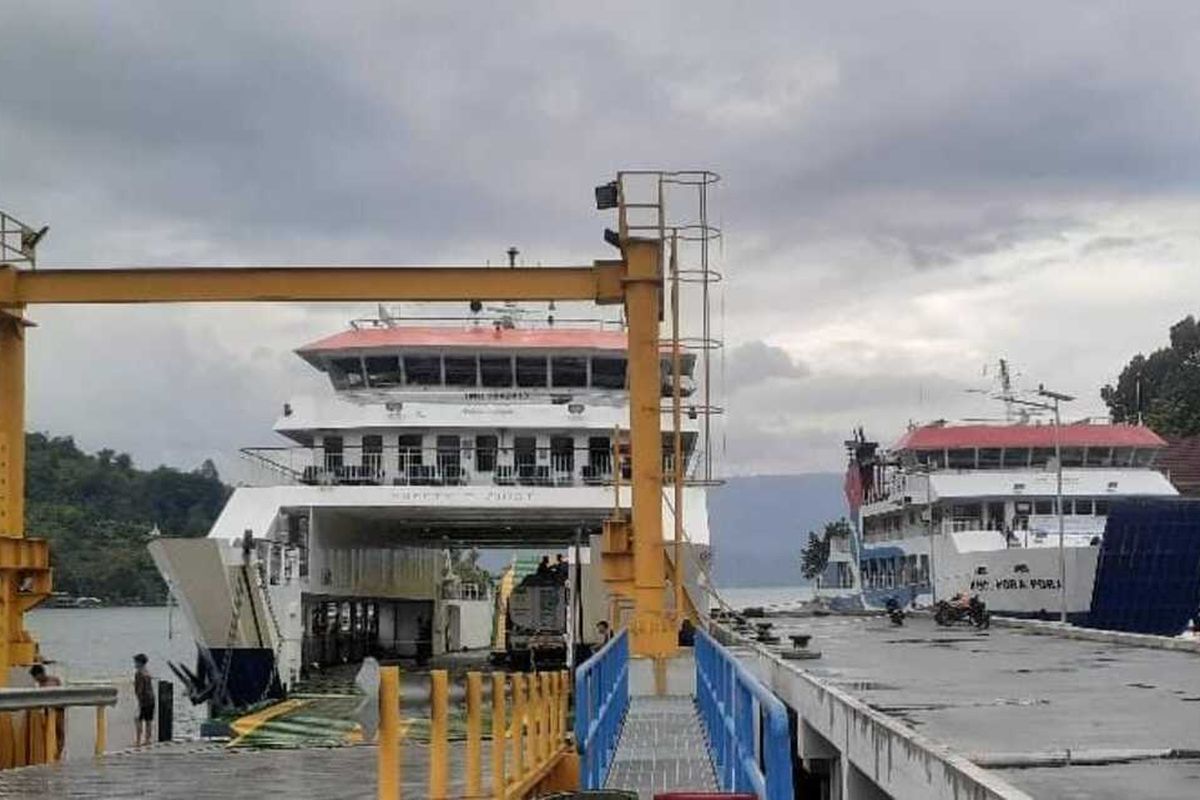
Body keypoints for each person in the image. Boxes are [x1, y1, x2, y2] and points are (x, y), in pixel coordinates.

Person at [30, 664, 65, 759]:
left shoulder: (54, 680)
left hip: (58, 709)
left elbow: (62, 693)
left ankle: (59, 753)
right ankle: (51, 752)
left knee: (60, 731)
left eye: (36, 677)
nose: (36, 680)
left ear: (41, 674)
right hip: (48, 711)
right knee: (49, 731)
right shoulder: (40, 685)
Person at [133, 653, 155, 747]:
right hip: (151, 698)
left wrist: (139, 700)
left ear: (140, 662)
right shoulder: (147, 672)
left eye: (135, 662)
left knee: (138, 719)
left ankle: (138, 741)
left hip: (144, 700)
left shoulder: (139, 673)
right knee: (148, 720)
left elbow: (140, 689)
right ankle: (147, 740)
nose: (134, 664)